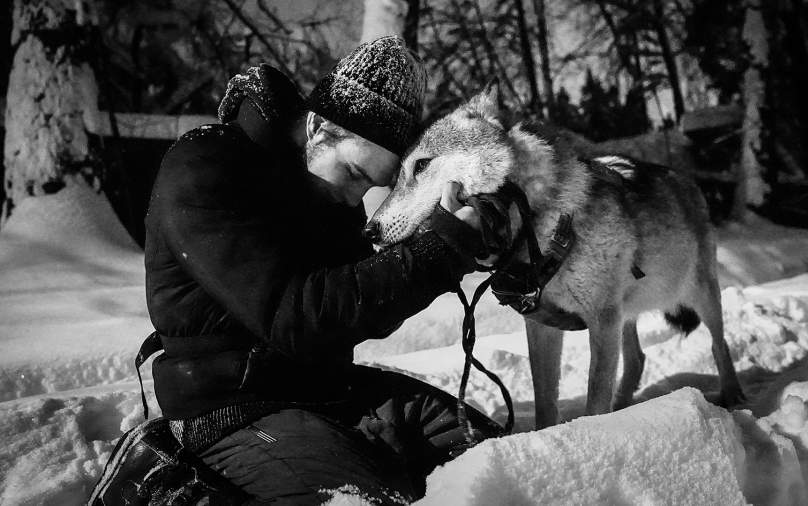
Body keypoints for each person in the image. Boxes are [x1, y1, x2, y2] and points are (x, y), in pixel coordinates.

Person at [93, 36, 510, 505]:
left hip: (331, 393)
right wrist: (440, 252)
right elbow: (298, 318)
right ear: (316, 128)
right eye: (355, 174)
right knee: (361, 501)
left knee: (504, 463)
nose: (358, 199)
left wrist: (447, 228)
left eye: (372, 184)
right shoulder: (207, 165)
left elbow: (362, 302)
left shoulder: (327, 192)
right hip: (233, 409)